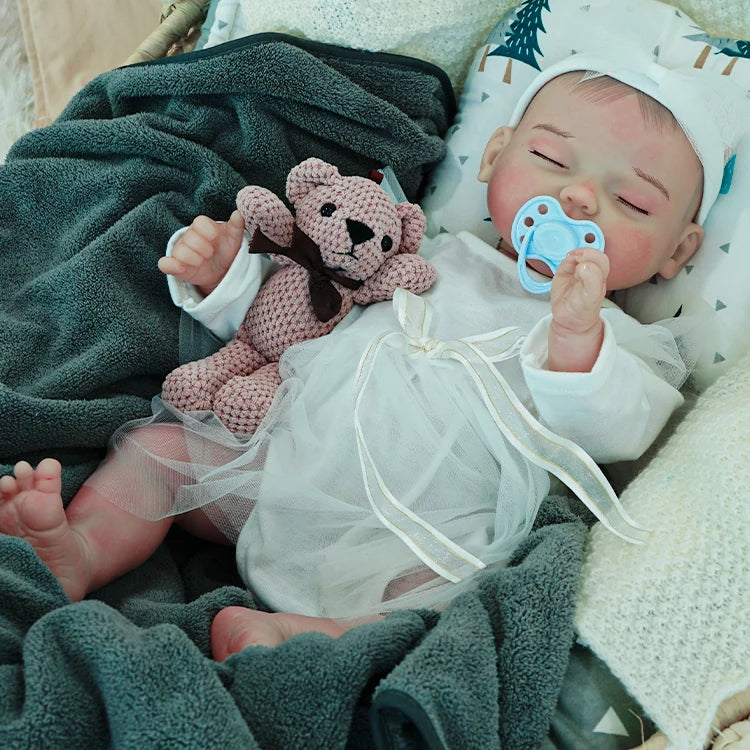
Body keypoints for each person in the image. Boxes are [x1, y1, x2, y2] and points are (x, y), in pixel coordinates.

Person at [0, 54, 731, 661]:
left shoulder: (628, 345)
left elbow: (618, 431)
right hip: (278, 464)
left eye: (631, 203)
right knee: (163, 450)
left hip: (412, 537)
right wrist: (226, 279)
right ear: (498, 156)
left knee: (445, 613)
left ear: (678, 251)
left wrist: (576, 338)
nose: (576, 200)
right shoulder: (423, 254)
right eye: (549, 159)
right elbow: (303, 312)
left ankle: (300, 637)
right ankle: (85, 550)